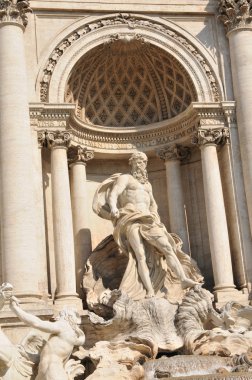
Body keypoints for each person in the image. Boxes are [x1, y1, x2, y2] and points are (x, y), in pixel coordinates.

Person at [93, 151, 200, 299]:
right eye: (137, 161)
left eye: (143, 162)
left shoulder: (147, 185)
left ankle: (183, 279)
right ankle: (149, 290)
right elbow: (113, 194)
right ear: (132, 163)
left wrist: (156, 218)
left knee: (168, 248)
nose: (140, 164)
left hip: (149, 220)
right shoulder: (126, 178)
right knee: (140, 255)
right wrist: (113, 208)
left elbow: (153, 204)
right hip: (131, 219)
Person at [10, 297, 85, 380]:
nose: (56, 318)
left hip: (53, 372)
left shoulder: (64, 326)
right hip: (45, 373)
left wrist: (16, 309)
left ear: (66, 316)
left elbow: (37, 323)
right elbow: (48, 354)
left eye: (59, 314)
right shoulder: (66, 334)